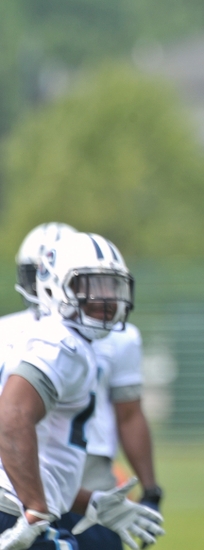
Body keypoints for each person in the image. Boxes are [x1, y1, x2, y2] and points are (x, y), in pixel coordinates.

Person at [0, 232, 162, 550]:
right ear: (52, 287)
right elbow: (11, 416)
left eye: (111, 287)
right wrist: (35, 510)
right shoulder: (61, 345)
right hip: (12, 510)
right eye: (87, 286)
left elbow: (46, 460)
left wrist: (92, 503)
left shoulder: (65, 343)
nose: (105, 299)